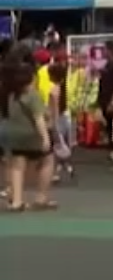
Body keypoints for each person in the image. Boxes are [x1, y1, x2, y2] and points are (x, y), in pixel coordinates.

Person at [2, 59, 56, 212]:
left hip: (14, 135)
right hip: (31, 135)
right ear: (32, 77)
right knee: (47, 160)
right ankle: (41, 198)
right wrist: (45, 137)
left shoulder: (10, 95)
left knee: (17, 167)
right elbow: (38, 118)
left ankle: (17, 201)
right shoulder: (32, 95)